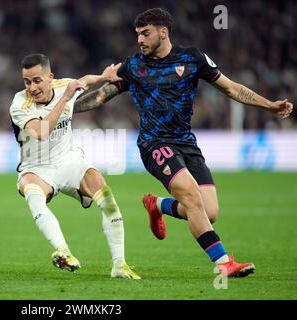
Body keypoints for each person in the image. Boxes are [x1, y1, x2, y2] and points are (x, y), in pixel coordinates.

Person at [74, 8, 293, 277]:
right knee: (191, 195)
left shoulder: (192, 58)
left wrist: (269, 105)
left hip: (186, 143)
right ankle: (223, 263)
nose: (140, 40)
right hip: (154, 144)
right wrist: (64, 109)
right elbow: (99, 97)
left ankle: (158, 205)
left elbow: (232, 88)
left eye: (146, 33)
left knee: (208, 212)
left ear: (163, 32)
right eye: (137, 35)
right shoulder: (132, 66)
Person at [9, 53, 140, 279]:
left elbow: (85, 81)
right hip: (37, 168)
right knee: (33, 194)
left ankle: (119, 265)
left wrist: (103, 77)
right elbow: (41, 132)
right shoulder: (20, 104)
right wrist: (66, 97)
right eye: (27, 81)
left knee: (105, 194)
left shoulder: (65, 85)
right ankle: (63, 251)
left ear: (50, 77)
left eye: (37, 80)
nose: (32, 87)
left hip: (68, 161)